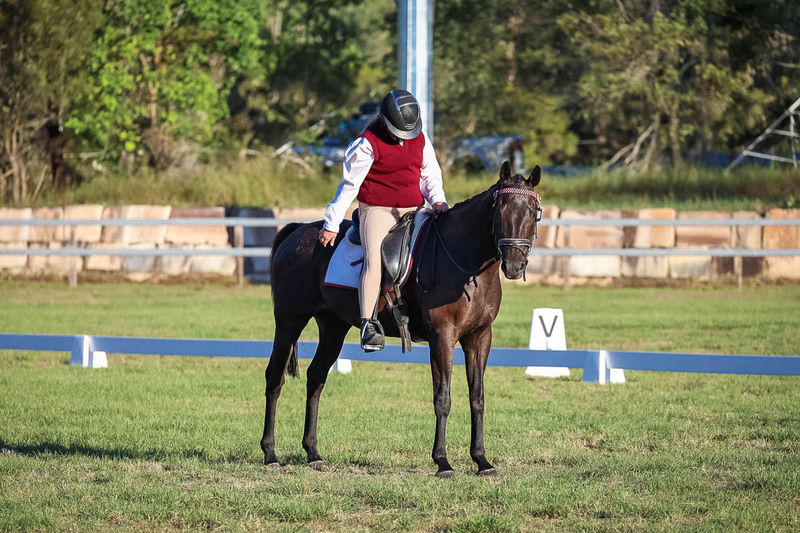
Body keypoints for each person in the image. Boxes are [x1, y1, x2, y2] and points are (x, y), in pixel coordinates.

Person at [318, 89, 449, 352]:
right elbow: (349, 186)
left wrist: (438, 200)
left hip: (415, 209)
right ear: (386, 121)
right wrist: (331, 223)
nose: (404, 137)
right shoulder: (366, 143)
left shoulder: (421, 139)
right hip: (377, 210)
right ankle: (368, 324)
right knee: (374, 260)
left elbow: (430, 176)